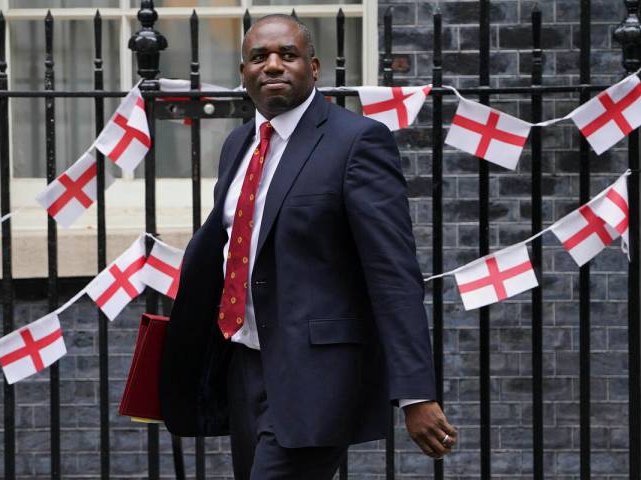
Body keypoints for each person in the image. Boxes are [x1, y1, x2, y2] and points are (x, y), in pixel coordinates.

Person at [159, 13, 458, 479]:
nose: (273, 66)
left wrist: (416, 393)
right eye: (259, 57)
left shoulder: (356, 141)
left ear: (313, 68)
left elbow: (393, 273)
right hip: (245, 367)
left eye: (288, 55)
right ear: (244, 73)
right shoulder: (238, 144)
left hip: (317, 377)